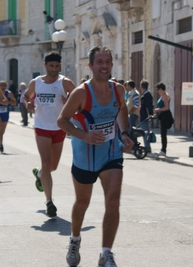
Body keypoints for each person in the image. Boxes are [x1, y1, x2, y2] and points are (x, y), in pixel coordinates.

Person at [57, 45, 133, 267]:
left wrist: (125, 134)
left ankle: (106, 253)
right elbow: (62, 121)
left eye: (107, 61)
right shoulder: (81, 93)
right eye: (99, 62)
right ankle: (74, 239)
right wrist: (85, 136)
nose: (104, 66)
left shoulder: (118, 90)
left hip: (111, 153)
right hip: (85, 156)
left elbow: (121, 110)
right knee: (82, 202)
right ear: (90, 65)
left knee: (113, 202)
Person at [24, 51, 75, 217]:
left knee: (52, 167)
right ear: (45, 65)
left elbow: (81, 101)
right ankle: (49, 201)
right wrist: (27, 104)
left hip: (59, 128)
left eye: (57, 66)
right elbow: (26, 96)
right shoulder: (36, 82)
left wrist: (70, 104)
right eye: (51, 66)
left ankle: (39, 174)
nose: (54, 69)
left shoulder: (65, 83)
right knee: (46, 163)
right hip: (41, 127)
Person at [0, 80, 17, 153]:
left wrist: (8, 102)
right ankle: (1, 144)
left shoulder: (9, 93)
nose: (3, 87)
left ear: (6, 86)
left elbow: (14, 102)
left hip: (5, 113)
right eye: (1, 85)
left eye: (4, 85)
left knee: (2, 130)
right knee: (0, 127)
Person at [153, 82, 173, 156]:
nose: (157, 91)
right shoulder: (162, 95)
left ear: (161, 89)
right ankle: (162, 149)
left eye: (157, 89)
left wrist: (158, 110)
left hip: (166, 116)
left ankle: (163, 150)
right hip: (162, 115)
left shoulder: (165, 96)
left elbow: (166, 107)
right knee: (162, 133)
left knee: (163, 133)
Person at [138, 79, 154, 153]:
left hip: (145, 116)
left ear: (141, 86)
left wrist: (150, 115)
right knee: (143, 132)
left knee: (145, 132)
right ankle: (146, 146)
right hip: (143, 116)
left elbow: (149, 106)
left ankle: (147, 147)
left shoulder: (147, 94)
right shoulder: (144, 94)